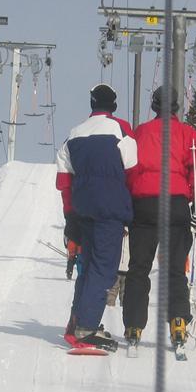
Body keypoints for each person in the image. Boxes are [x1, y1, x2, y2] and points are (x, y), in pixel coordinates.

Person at [122, 86, 196, 348]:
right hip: (176, 204)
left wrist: (129, 203)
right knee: (174, 270)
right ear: (176, 107)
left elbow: (130, 170)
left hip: (145, 204)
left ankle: (134, 325)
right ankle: (178, 322)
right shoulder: (188, 134)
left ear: (154, 106)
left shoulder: (141, 133)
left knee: (139, 268)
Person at [56, 83, 137, 352]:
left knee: (89, 267)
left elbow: (64, 179)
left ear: (92, 104)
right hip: (109, 210)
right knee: (104, 269)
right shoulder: (120, 130)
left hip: (83, 209)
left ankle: (76, 322)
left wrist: (70, 215)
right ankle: (86, 328)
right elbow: (133, 169)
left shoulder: (74, 134)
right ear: (113, 105)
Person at [106, 227, 129, 307]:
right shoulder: (115, 229)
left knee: (125, 298)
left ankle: (124, 316)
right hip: (115, 269)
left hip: (127, 270)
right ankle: (109, 315)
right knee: (110, 297)